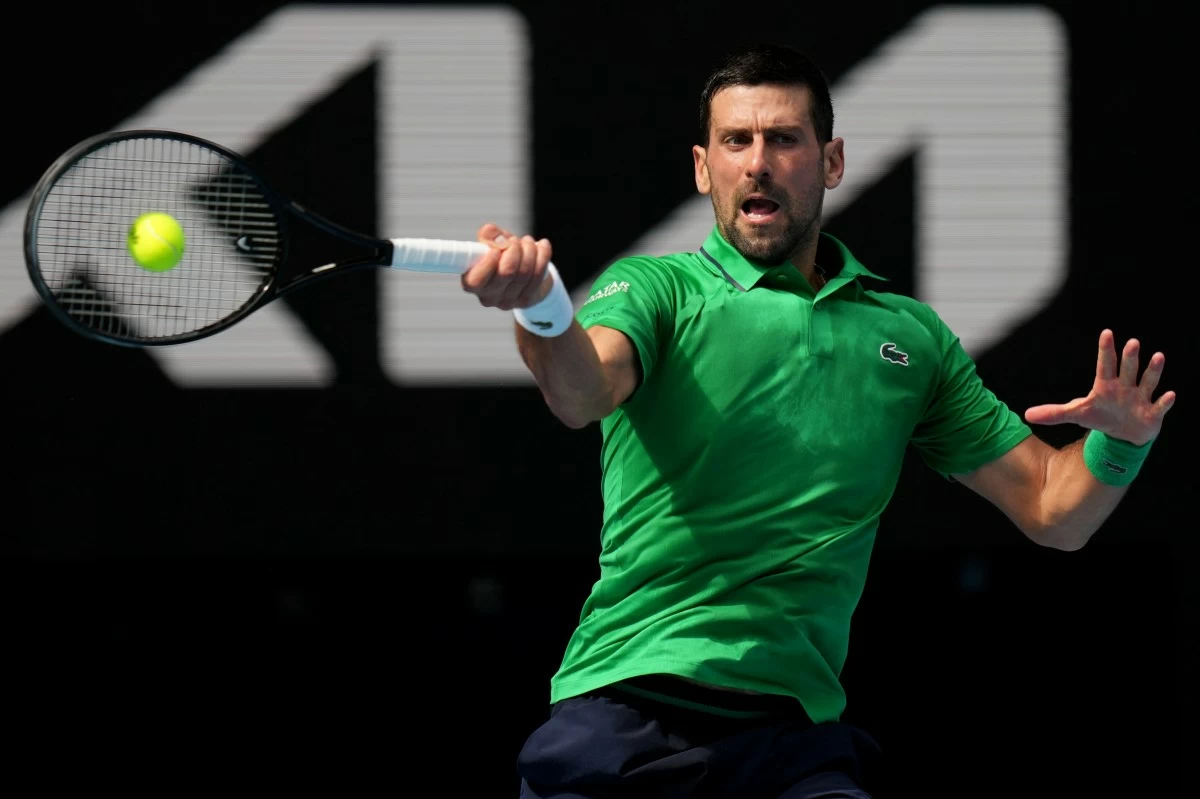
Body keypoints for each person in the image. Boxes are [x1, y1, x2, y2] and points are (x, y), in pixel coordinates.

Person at [460, 43, 1175, 799]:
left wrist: (1120, 442)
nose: (758, 162)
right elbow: (580, 392)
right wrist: (540, 309)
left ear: (830, 161)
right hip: (629, 709)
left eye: (784, 139)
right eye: (736, 141)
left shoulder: (910, 338)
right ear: (704, 168)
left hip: (790, 740)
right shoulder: (655, 288)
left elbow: (1052, 509)